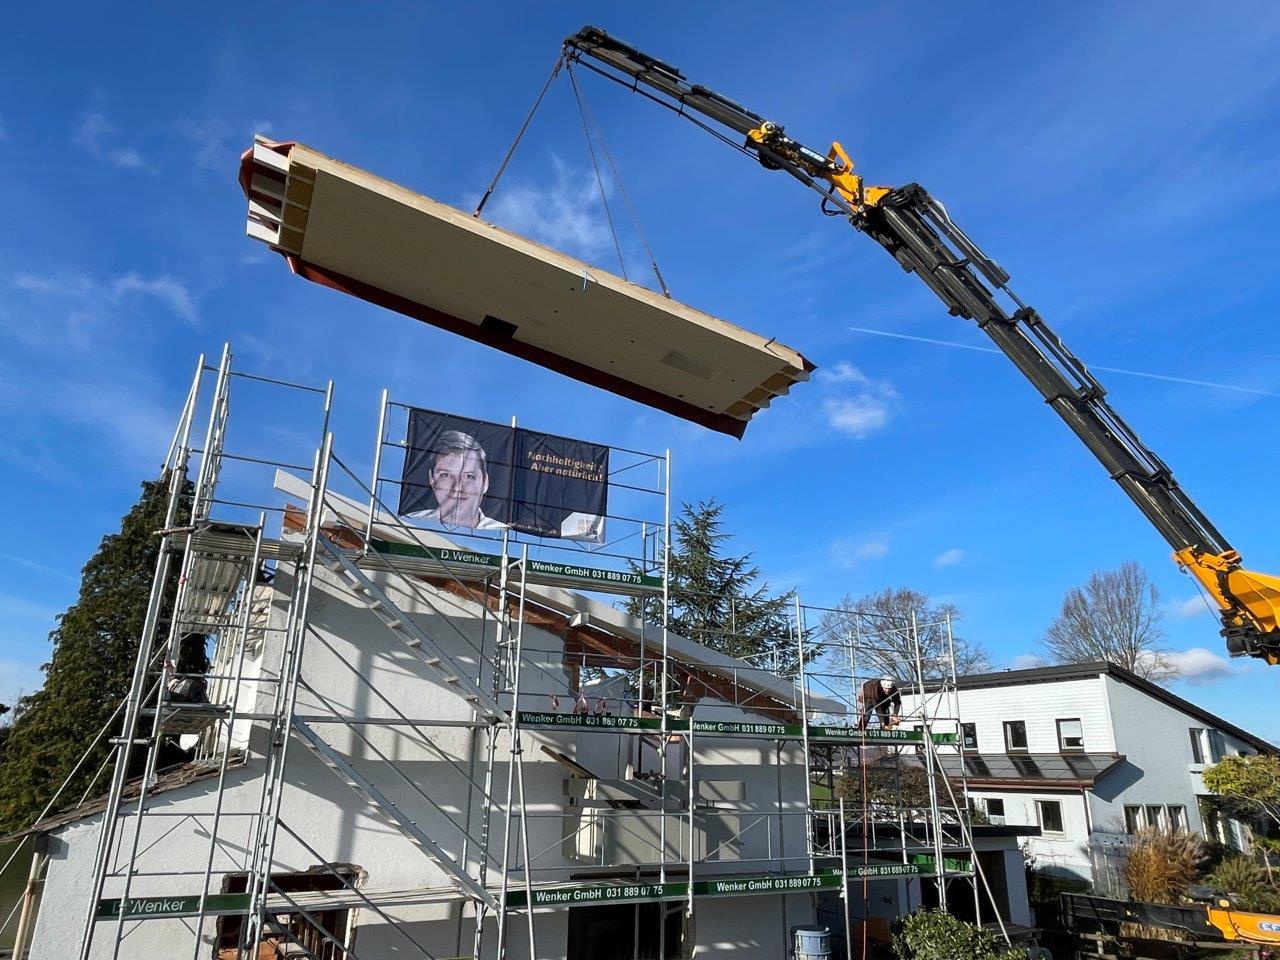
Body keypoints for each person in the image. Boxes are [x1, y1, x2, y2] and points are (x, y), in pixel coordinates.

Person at [407, 430, 507, 531]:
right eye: (446, 475)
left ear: (485, 483)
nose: (457, 487)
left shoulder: (502, 533)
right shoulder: (409, 524)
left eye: (468, 476)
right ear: (432, 479)